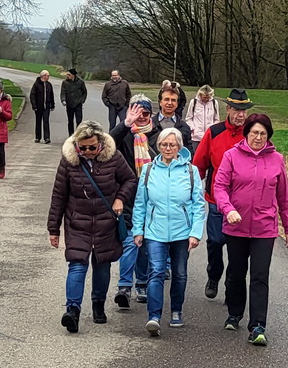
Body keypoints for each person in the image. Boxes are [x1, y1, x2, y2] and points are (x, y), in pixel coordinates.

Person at [213, 112, 288, 346]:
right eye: (254, 133)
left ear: (268, 136)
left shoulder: (277, 159)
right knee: (236, 272)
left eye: (263, 133)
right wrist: (228, 209)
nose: (258, 137)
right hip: (235, 225)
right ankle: (234, 313)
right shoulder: (231, 156)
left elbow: (284, 196)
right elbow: (219, 187)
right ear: (246, 134)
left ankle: (258, 325)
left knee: (260, 275)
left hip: (264, 228)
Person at [48, 120, 137, 334]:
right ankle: (73, 310)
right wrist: (53, 229)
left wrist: (120, 199)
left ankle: (98, 304)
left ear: (101, 145)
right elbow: (59, 196)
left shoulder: (113, 157)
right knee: (77, 265)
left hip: (106, 222)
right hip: (77, 221)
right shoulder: (69, 162)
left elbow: (130, 180)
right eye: (83, 147)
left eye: (92, 147)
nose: (87, 151)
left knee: (102, 264)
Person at [131, 127, 207, 336]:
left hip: (182, 233)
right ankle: (153, 316)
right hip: (155, 231)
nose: (168, 148)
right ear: (159, 146)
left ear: (179, 147)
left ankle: (176, 311)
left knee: (180, 273)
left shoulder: (191, 171)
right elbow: (140, 203)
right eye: (164, 144)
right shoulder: (148, 171)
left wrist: (195, 233)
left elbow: (198, 205)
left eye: (172, 144)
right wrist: (138, 230)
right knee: (155, 272)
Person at [191, 88, 252, 300]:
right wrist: (190, 191)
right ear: (228, 109)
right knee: (216, 241)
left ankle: (232, 284)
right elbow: (199, 164)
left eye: (244, 110)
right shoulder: (214, 132)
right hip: (217, 199)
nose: (241, 115)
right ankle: (214, 275)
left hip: (243, 202)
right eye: (237, 110)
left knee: (237, 248)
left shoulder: (251, 134)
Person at [109, 94, 156, 307]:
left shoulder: (158, 135)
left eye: (145, 113)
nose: (141, 117)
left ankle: (143, 283)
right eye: (136, 113)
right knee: (130, 241)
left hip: (152, 196)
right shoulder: (125, 134)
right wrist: (125, 124)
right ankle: (124, 286)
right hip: (127, 194)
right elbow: (108, 145)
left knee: (144, 242)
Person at [184, 85, 221, 155]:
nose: (206, 99)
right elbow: (189, 118)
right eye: (204, 97)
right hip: (196, 138)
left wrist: (213, 129)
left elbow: (216, 119)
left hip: (209, 137)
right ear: (200, 95)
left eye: (208, 97)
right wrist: (193, 129)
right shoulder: (193, 102)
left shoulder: (214, 103)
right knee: (196, 157)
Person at [29, 70, 56, 144]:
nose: (48, 77)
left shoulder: (49, 85)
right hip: (38, 106)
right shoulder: (36, 84)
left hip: (46, 106)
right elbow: (32, 95)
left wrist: (52, 105)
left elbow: (51, 95)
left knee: (46, 121)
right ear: (43, 76)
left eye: (48, 76)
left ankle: (47, 137)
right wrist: (34, 105)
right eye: (47, 75)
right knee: (38, 121)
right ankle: (38, 137)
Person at [59, 70, 87, 136]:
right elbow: (63, 92)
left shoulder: (80, 82)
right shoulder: (65, 83)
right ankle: (71, 135)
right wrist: (63, 100)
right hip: (69, 104)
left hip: (78, 104)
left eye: (69, 75)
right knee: (70, 121)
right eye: (67, 75)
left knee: (79, 121)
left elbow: (84, 92)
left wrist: (82, 100)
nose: (67, 76)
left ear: (73, 75)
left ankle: (78, 135)